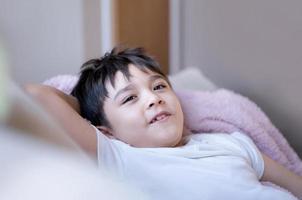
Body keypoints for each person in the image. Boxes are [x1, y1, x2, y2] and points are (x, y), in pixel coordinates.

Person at [26, 47, 302, 200]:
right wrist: (90, 109)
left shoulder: (231, 141)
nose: (153, 99)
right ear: (107, 130)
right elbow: (38, 96)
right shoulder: (118, 157)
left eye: (159, 87)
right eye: (130, 98)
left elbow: (296, 184)